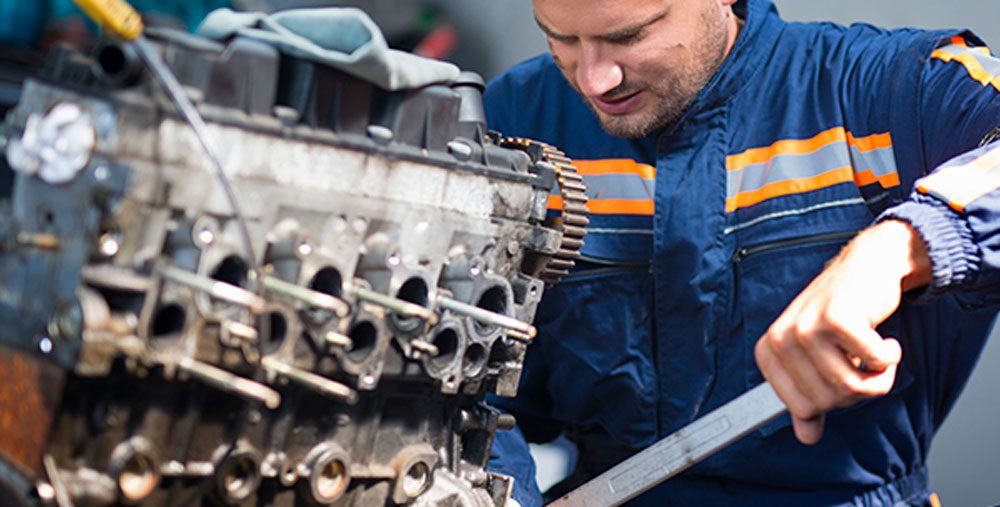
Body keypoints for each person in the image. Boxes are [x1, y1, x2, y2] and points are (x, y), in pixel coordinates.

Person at [482, 0, 1000, 505]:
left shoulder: (887, 90)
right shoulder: (515, 122)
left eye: (629, 35)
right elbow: (466, 389)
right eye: (562, 38)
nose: (595, 80)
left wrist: (892, 251)